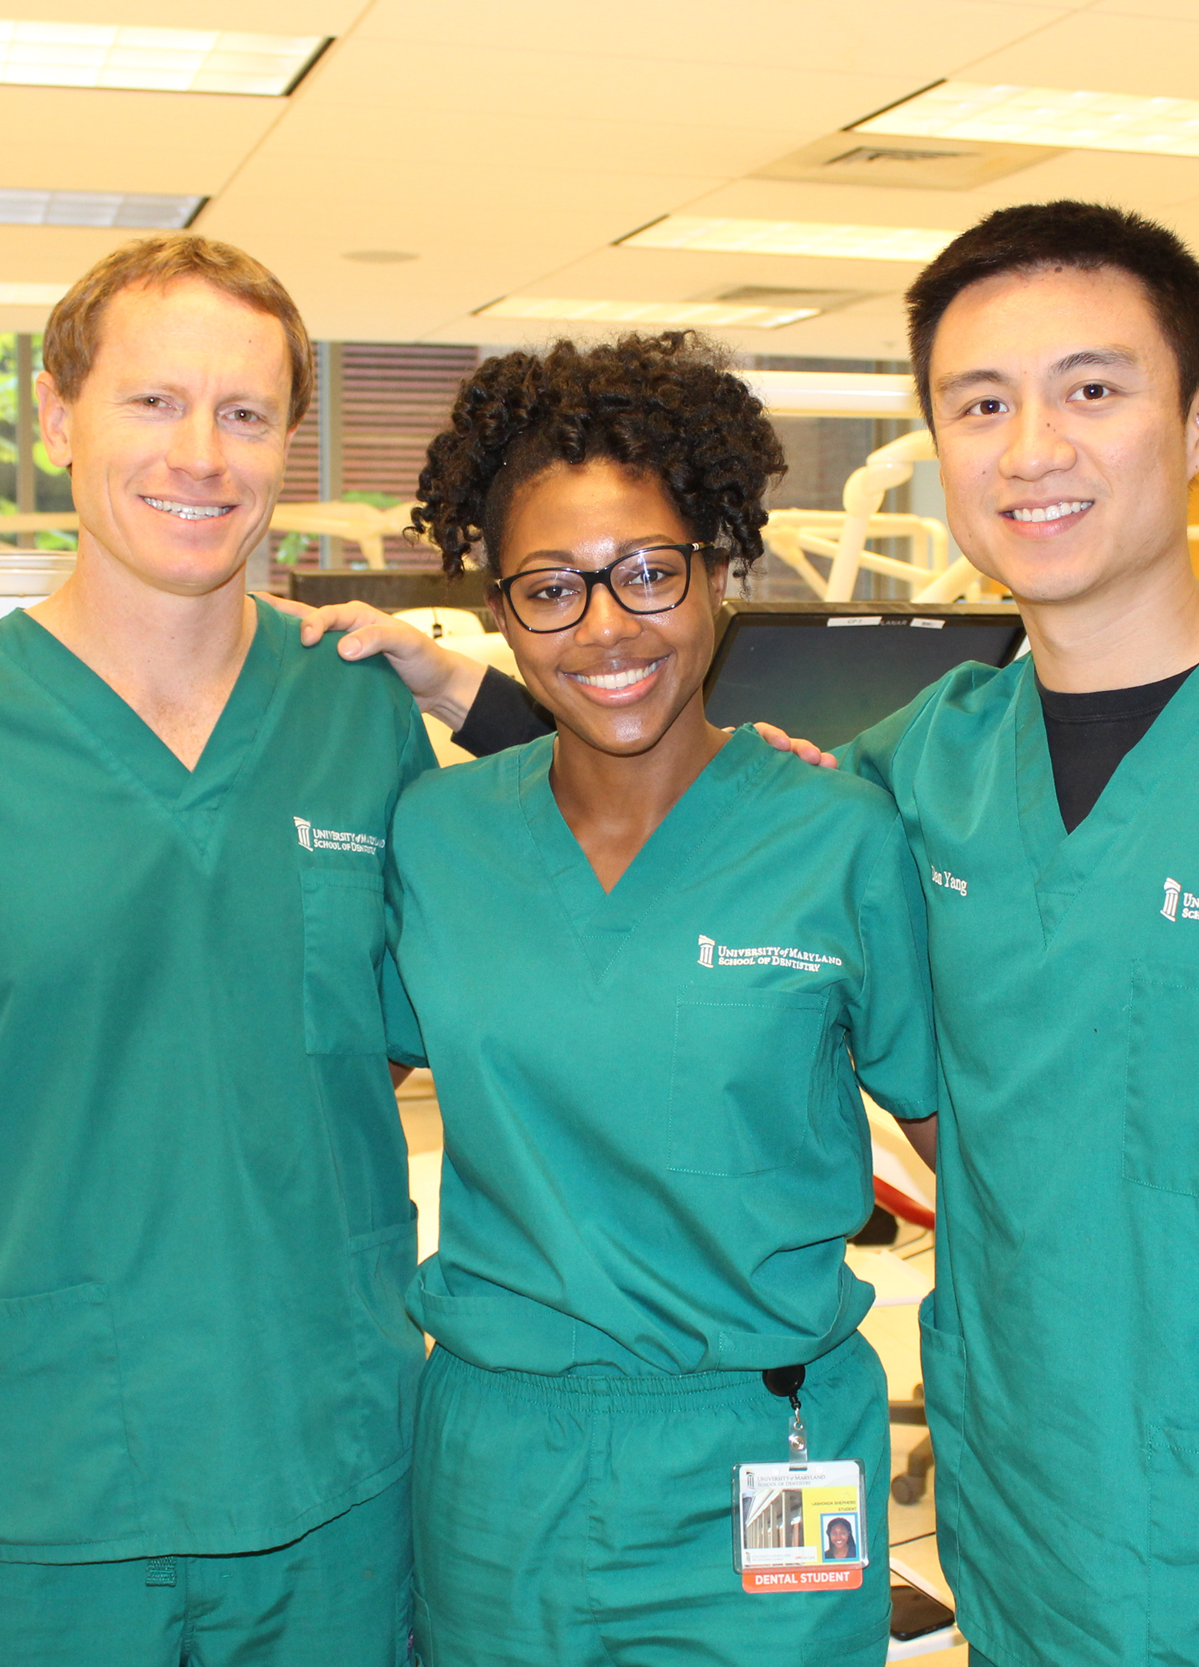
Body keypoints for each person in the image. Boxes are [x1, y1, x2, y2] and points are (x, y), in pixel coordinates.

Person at [306, 203, 1199, 1667]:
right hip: (1030, 1529)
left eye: (1092, 390)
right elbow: (662, 810)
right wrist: (477, 694)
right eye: (981, 404)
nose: (1032, 447)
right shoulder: (919, 771)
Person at [0, 234, 431, 1667]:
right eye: (153, 403)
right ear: (56, 416)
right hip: (27, 1503)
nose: (203, 455)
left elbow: (581, 883)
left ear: (289, 447)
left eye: (247, 416)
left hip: (333, 1480)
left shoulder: (359, 717)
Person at [376, 333, 939, 1666]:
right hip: (504, 1467)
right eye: (550, 589)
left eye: (647, 570)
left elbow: (973, 1158)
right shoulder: (438, 842)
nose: (608, 625)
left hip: (775, 1443)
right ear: (500, 615)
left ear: (721, 568)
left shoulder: (840, 839)